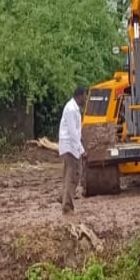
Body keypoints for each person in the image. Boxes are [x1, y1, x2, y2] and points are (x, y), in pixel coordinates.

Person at [58, 85, 86, 213]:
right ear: (79, 96)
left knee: (70, 174)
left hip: (71, 146)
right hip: (70, 146)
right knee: (74, 174)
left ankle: (64, 197)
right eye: (84, 96)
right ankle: (67, 205)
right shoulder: (71, 109)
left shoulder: (73, 108)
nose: (85, 99)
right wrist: (81, 149)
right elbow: (72, 132)